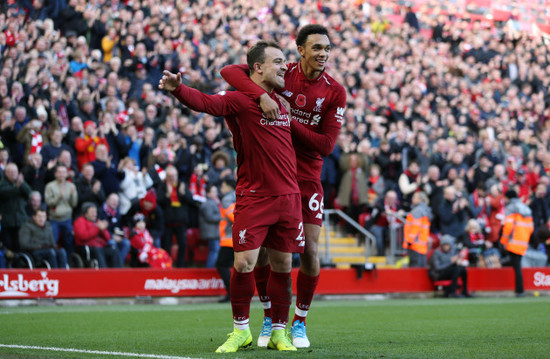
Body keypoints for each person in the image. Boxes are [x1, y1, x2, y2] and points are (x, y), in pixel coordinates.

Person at [160, 40, 302, 352]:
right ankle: (241, 330)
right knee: (244, 263)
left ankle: (279, 331)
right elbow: (207, 102)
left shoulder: (283, 99)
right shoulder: (240, 100)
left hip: (289, 196)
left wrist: (268, 93)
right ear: (258, 68)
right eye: (277, 62)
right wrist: (178, 90)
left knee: (282, 266)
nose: (285, 67)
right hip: (254, 196)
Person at [220, 24, 346, 349]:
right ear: (300, 50)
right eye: (317, 47)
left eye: (327, 49)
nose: (323, 54)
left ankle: (299, 322)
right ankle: (269, 318)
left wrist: (290, 120)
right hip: (272, 173)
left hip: (306, 177)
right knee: (262, 251)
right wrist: (260, 94)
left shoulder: (335, 91)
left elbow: (326, 145)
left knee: (311, 251)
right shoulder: (282, 71)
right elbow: (230, 71)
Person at [156, 165, 194, 268]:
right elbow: (158, 202)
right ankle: (168, 265)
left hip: (181, 222)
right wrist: (167, 195)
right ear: (166, 176)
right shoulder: (162, 186)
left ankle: (180, 266)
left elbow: (191, 201)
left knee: (182, 245)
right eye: (170, 176)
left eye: (174, 176)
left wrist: (183, 193)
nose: (172, 178)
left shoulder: (182, 185)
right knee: (166, 246)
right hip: (167, 222)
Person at [500, 189, 534, 297]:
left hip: (513, 242)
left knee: (517, 267)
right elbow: (531, 228)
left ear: (508, 198)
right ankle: (519, 290)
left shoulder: (511, 208)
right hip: (523, 242)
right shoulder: (526, 208)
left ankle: (519, 290)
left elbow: (508, 226)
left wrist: (503, 241)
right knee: (518, 266)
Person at [73, 202, 122, 268]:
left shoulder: (97, 221)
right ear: (86, 213)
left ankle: (118, 274)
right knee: (98, 251)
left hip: (100, 247)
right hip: (87, 248)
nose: (95, 214)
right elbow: (83, 236)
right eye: (92, 212)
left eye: (95, 212)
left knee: (114, 251)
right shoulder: (80, 221)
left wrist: (103, 229)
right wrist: (97, 228)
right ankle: (103, 273)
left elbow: (108, 238)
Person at [44, 164, 78, 256]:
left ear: (67, 174)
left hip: (67, 219)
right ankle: (54, 263)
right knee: (53, 242)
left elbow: (74, 204)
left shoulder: (71, 186)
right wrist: (59, 197)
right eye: (59, 172)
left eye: (64, 172)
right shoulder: (50, 186)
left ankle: (68, 262)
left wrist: (72, 195)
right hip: (54, 219)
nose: (61, 174)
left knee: (69, 242)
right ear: (55, 174)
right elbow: (48, 202)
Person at [0, 163, 32, 252]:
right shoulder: (2, 183)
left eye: (15, 172)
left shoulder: (20, 183)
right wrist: (17, 186)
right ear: (6, 173)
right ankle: (6, 264)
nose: (14, 174)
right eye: (11, 172)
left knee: (18, 244)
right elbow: (5, 193)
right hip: (6, 221)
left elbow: (29, 193)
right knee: (6, 244)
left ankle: (18, 263)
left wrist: (21, 184)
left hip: (20, 219)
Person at [216, 178, 236, 303]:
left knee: (221, 265)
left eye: (223, 186)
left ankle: (231, 293)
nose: (221, 189)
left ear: (229, 187)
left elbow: (233, 216)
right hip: (237, 238)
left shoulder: (227, 199)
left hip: (229, 239)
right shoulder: (237, 196)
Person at [98, 193, 131, 265]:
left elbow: (119, 227)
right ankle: (112, 265)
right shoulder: (100, 212)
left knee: (126, 243)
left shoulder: (117, 213)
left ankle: (119, 265)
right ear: (107, 200)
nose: (115, 202)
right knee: (112, 243)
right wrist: (112, 236)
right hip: (104, 238)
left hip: (115, 236)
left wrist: (119, 236)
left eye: (117, 201)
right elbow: (100, 229)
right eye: (113, 200)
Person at [403, 191, 432, 267]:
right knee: (421, 271)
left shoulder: (417, 211)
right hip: (422, 246)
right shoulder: (424, 210)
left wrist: (409, 241)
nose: (412, 199)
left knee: (415, 271)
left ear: (420, 199)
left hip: (414, 245)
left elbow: (415, 227)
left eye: (414, 197)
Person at [199, 184, 221, 268]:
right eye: (214, 191)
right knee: (214, 250)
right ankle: (209, 269)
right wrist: (222, 217)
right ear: (208, 193)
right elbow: (210, 217)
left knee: (215, 250)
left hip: (214, 232)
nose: (216, 193)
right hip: (211, 233)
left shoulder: (214, 202)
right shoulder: (207, 204)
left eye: (216, 191)